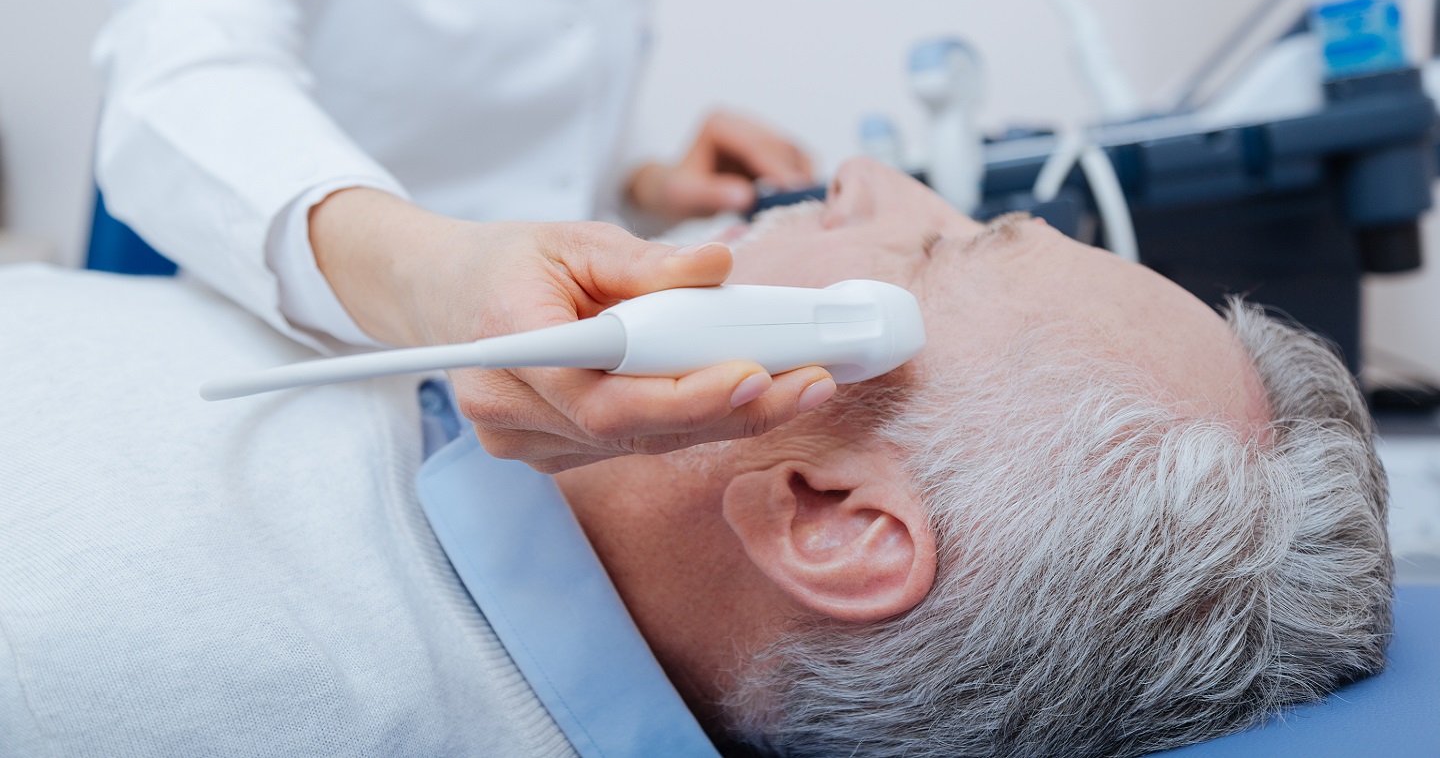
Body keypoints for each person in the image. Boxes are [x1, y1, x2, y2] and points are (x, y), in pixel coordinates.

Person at [0, 159, 1391, 757]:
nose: (868, 178)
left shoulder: (111, 635)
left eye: (937, 247)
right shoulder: (461, 437)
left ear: (831, 520)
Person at [93, 0, 826, 471]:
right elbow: (180, 92)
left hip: (549, 375)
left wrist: (649, 182)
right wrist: (445, 282)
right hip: (321, 386)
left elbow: (537, 148)